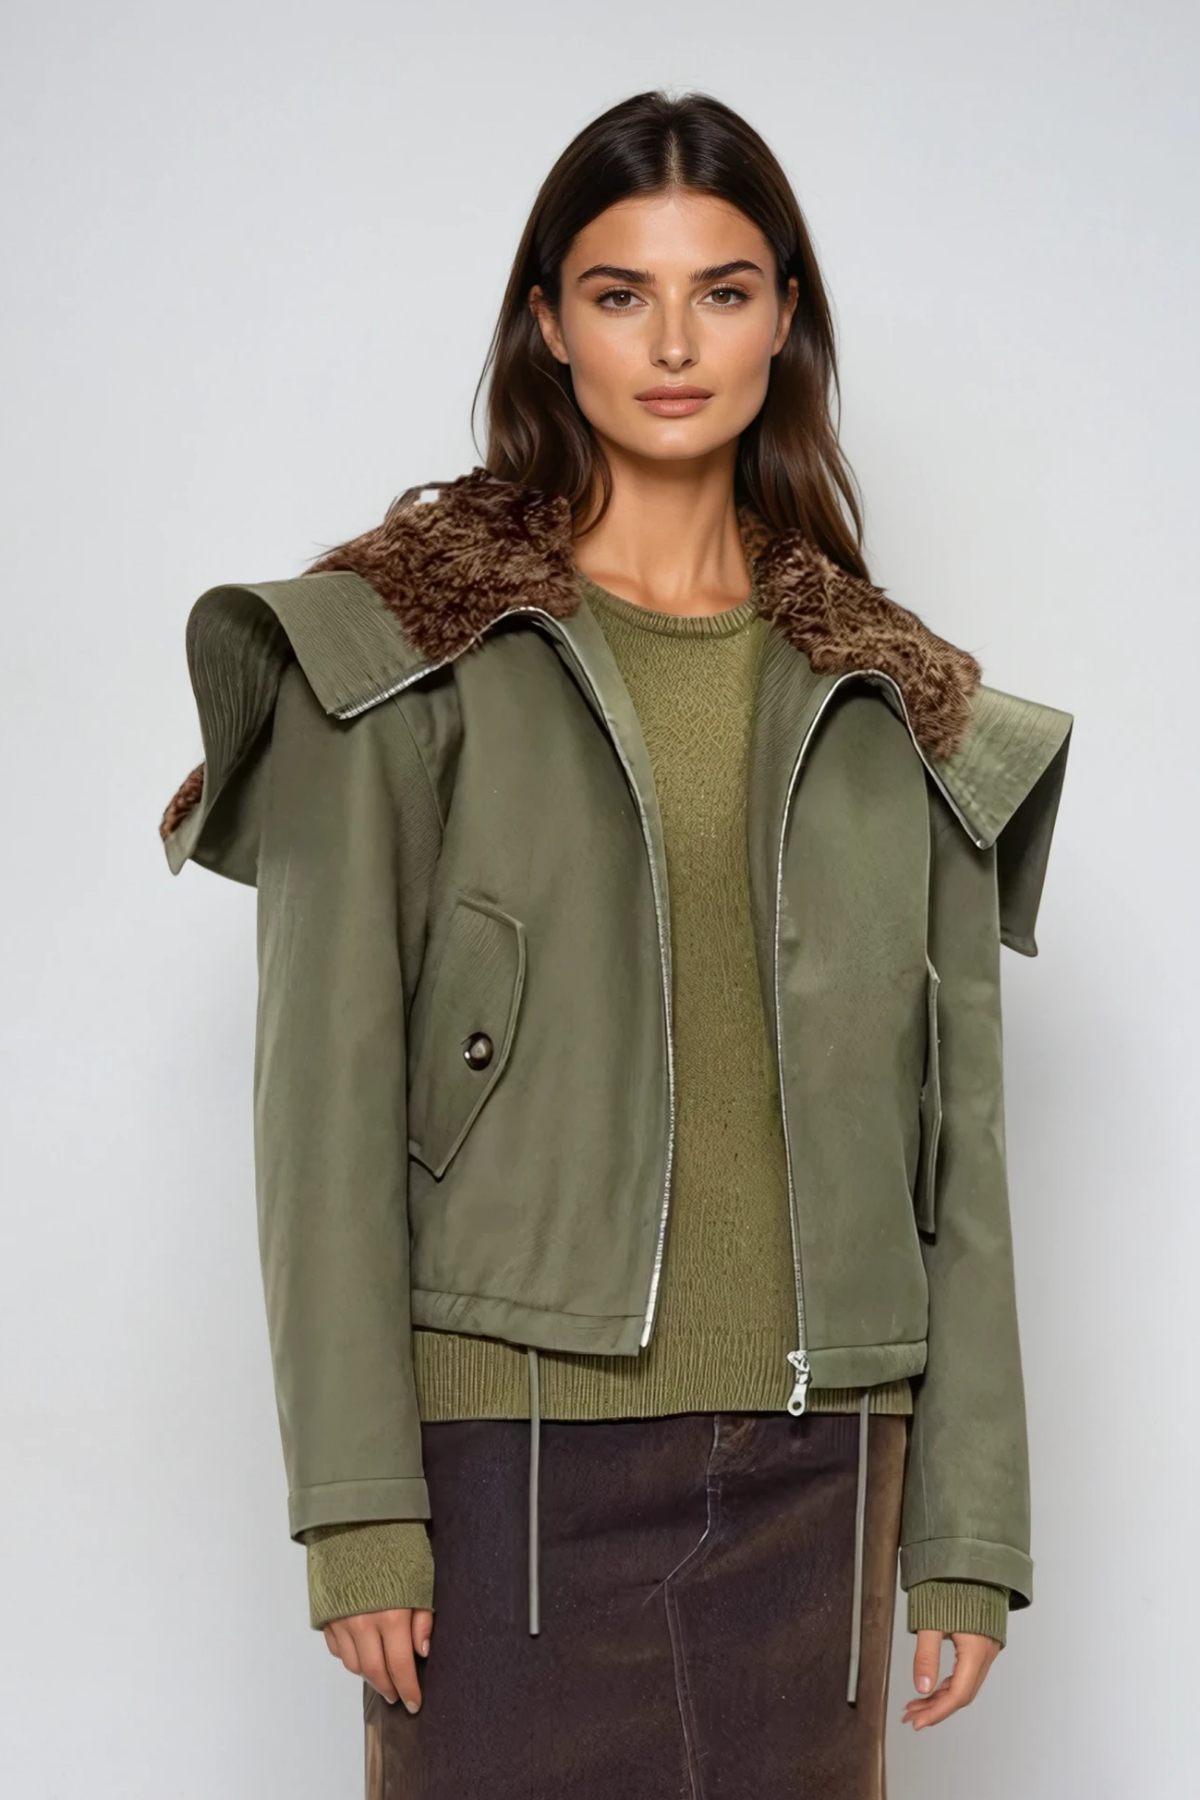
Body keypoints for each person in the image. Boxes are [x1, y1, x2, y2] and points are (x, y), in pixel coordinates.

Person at [160, 89, 1071, 1800]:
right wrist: (359, 1508)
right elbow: (325, 1111)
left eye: (721, 291)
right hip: (505, 1461)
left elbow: (962, 1149)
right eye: (618, 292)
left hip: (823, 1464)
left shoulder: (898, 705)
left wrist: (968, 1534)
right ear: (547, 324)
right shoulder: (402, 662)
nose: (671, 343)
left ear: (784, 319)